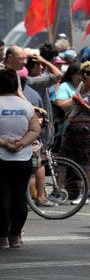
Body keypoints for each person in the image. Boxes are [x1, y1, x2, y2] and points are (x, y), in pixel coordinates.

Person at [0, 69, 41, 249]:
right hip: (23, 159)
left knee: (3, 197)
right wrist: (21, 143)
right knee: (19, 197)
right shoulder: (26, 106)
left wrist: (5, 143)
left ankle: (2, 238)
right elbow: (35, 129)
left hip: (1, 158)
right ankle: (15, 236)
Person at [59, 61, 90, 204]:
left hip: (87, 129)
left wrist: (82, 104)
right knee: (64, 158)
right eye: (82, 73)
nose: (84, 76)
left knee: (86, 162)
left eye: (88, 73)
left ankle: (85, 194)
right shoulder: (80, 87)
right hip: (73, 128)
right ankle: (60, 191)